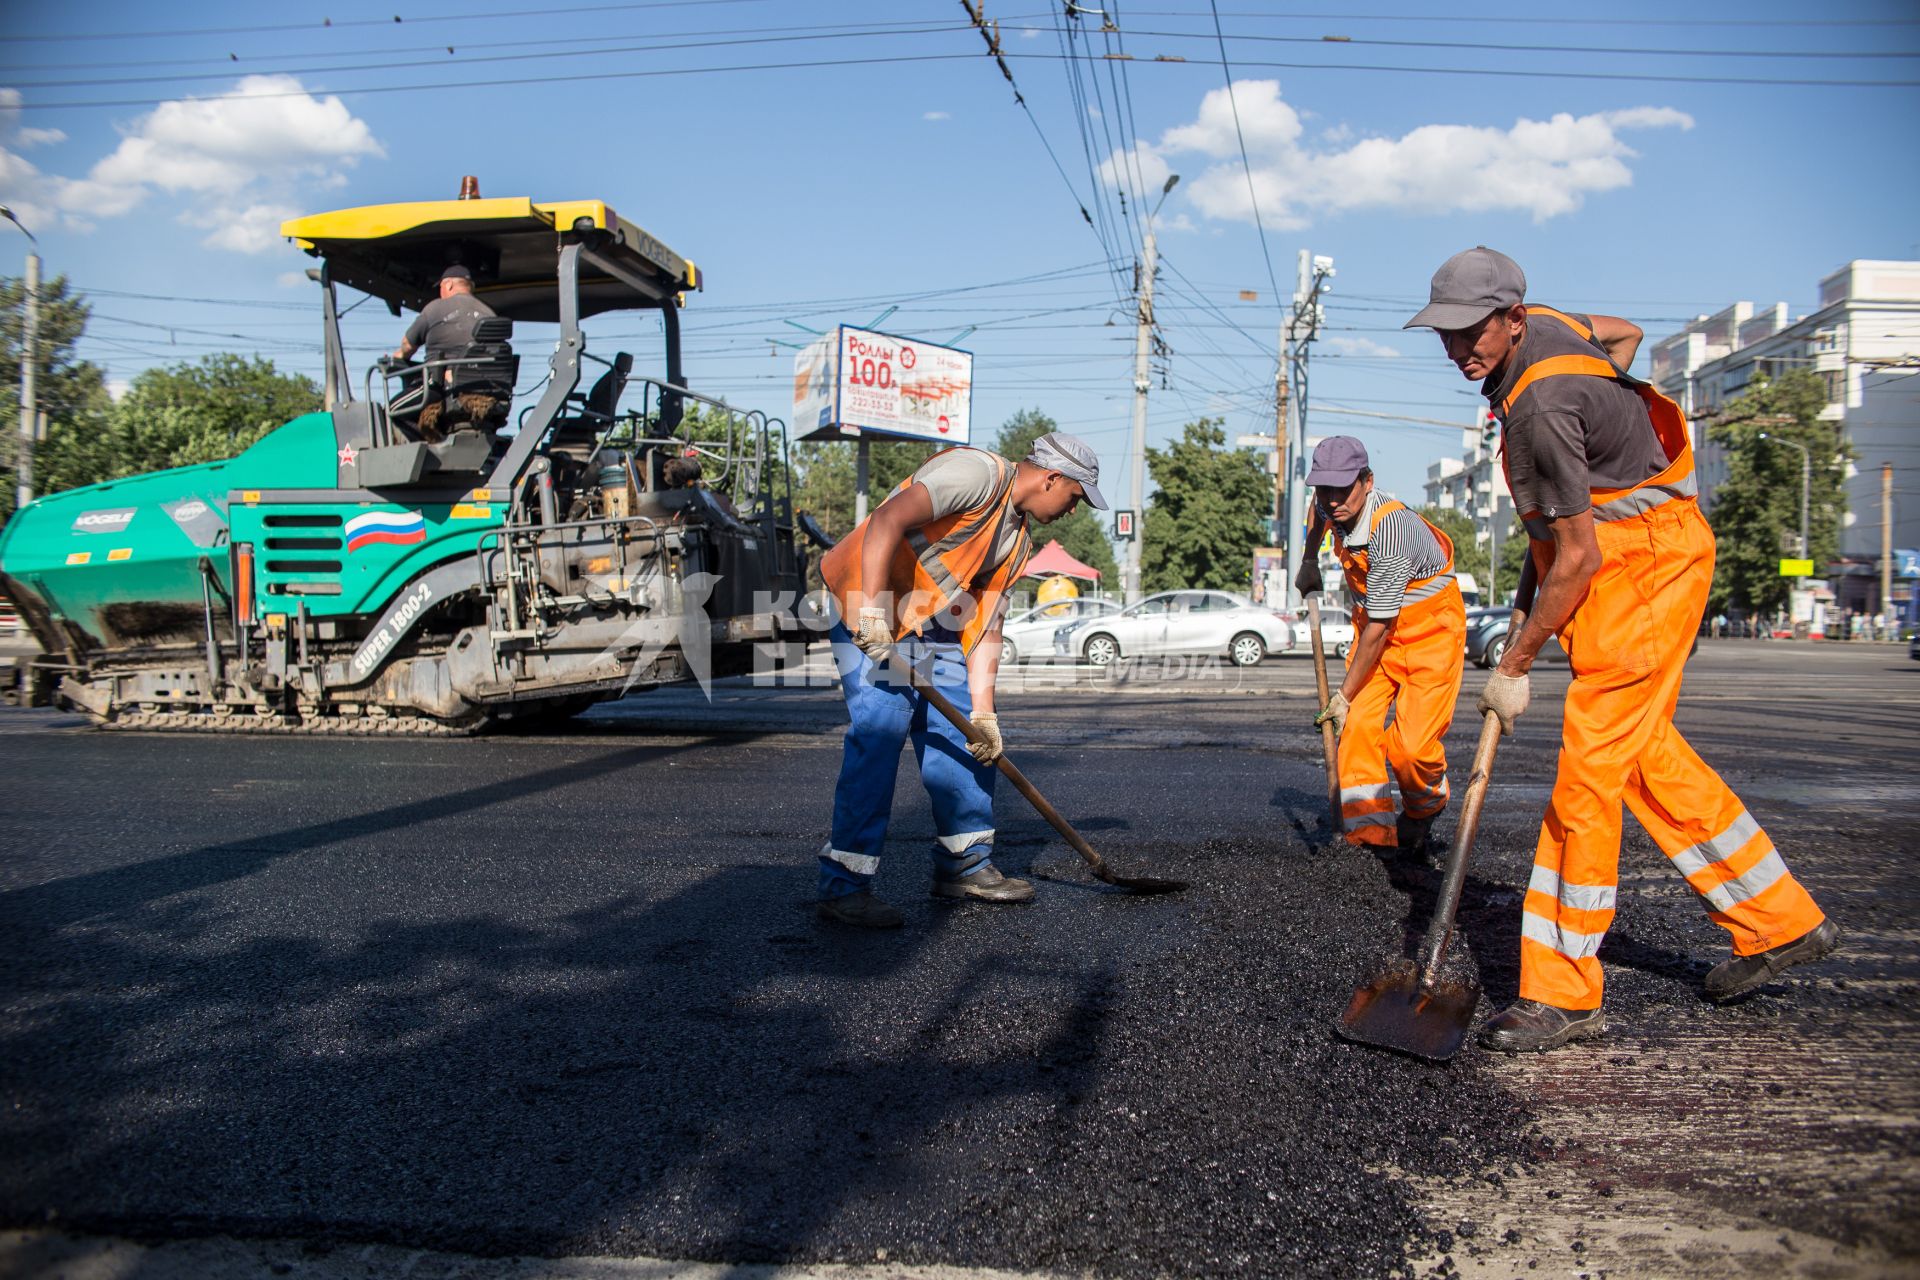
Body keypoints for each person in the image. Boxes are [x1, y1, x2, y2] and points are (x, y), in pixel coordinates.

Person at [1407, 246, 1837, 1053]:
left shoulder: (1540, 408)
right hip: (1649, 552)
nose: (1461, 350)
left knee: (1587, 777)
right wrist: (1609, 460)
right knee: (1642, 756)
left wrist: (1514, 664)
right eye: (1446, 335)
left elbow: (1575, 559)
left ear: (1513, 320)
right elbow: (1628, 334)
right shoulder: (1566, 330)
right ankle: (1778, 919)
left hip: (1639, 570)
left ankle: (1562, 992)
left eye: (1474, 333)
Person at [813, 433, 1106, 928]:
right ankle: (845, 884)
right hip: (867, 602)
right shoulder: (977, 475)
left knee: (963, 735)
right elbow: (888, 520)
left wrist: (984, 713)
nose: (1074, 510)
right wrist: (868, 614)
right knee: (881, 732)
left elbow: (986, 628)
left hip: (930, 622)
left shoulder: (1016, 545)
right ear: (1052, 478)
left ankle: (964, 866)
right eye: (1076, 497)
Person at [1296, 436, 1466, 854]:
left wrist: (1343, 695)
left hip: (1430, 634)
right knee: (1353, 729)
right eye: (1324, 488)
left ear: (1367, 482)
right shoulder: (1327, 505)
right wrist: (1308, 560)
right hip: (1376, 631)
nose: (1332, 500)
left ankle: (1427, 805)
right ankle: (1369, 838)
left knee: (1411, 750)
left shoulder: (1389, 531)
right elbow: (1315, 517)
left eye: (1343, 488)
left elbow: (1380, 626)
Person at [390, 265, 503, 439]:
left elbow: (407, 346)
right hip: (485, 389)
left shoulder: (435, 308)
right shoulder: (490, 314)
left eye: (441, 288)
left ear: (449, 285)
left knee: (392, 411)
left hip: (439, 386)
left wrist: (397, 357)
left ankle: (432, 444)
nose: (440, 292)